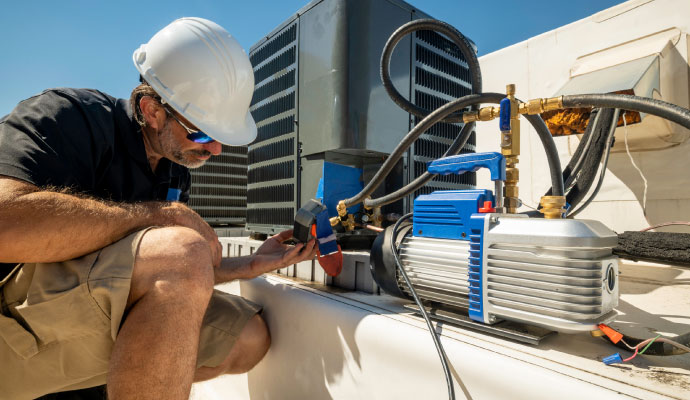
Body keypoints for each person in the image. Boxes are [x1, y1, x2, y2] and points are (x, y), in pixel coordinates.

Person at [0, 17, 316, 399]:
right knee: (180, 247)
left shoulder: (173, 170)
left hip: (79, 321)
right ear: (152, 110)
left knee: (248, 337)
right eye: (202, 132)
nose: (215, 149)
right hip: (12, 331)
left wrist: (248, 266)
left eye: (223, 138)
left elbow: (167, 276)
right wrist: (161, 215)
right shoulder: (68, 119)